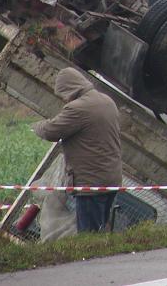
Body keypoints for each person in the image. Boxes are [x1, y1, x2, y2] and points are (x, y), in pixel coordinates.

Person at [31, 67, 122, 233]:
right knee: (102, 227)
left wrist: (36, 126)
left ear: (69, 89)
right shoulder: (107, 101)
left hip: (90, 182)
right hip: (111, 178)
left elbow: (52, 130)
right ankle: (103, 256)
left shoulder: (78, 108)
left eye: (63, 93)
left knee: (88, 234)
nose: (64, 98)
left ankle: (89, 259)